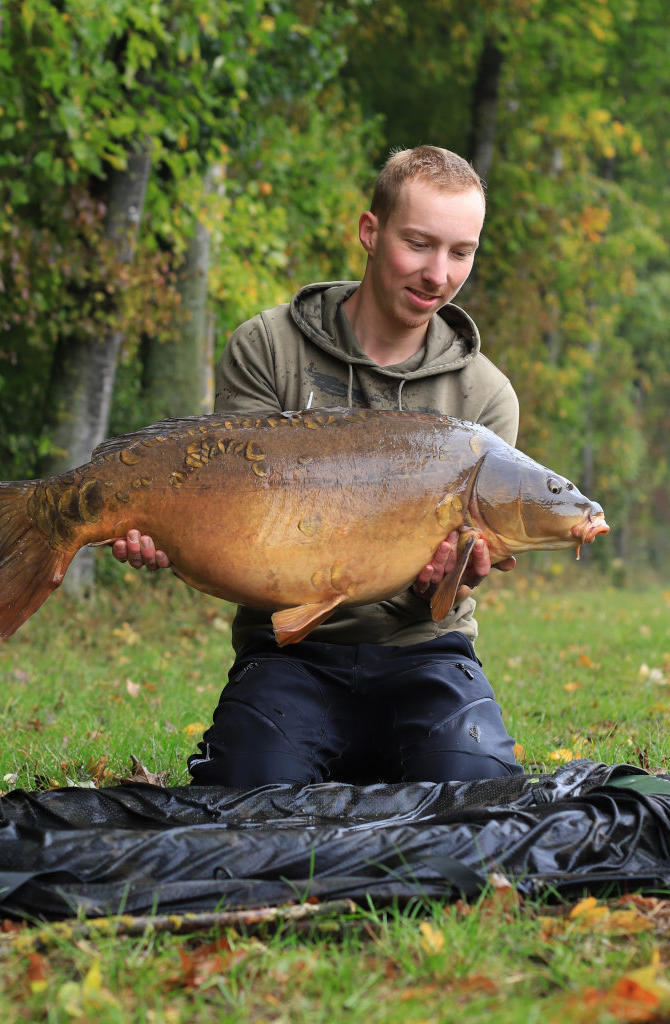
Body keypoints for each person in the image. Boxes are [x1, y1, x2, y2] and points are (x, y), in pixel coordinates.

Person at [114, 145, 523, 787]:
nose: (437, 273)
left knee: (478, 795)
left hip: (425, 654)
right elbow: (232, 510)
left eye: (460, 252)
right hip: (291, 653)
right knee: (247, 798)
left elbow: (449, 598)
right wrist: (167, 531)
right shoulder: (268, 347)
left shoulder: (485, 397)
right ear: (370, 231)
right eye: (417, 243)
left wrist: (447, 580)